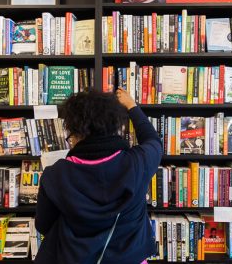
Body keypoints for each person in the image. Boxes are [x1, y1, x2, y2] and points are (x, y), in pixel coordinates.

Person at [34, 88, 163, 264]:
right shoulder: (138, 162)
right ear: (115, 126)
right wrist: (132, 106)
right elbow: (153, 140)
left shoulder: (55, 174)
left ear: (76, 133)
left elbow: (43, 225)